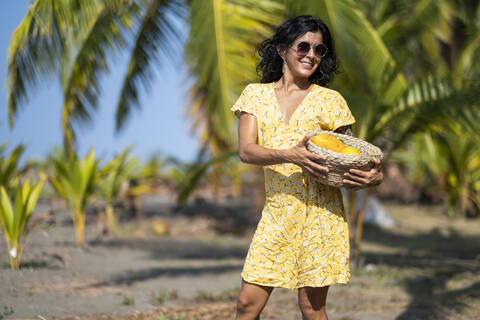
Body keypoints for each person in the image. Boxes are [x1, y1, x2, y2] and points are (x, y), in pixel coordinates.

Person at [230, 15, 383, 320]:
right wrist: (291, 155)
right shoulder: (255, 96)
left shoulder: (331, 101)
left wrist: (372, 177)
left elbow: (353, 157)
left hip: (322, 217)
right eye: (303, 46)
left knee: (312, 309)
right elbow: (247, 151)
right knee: (247, 304)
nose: (311, 55)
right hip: (276, 215)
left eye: (319, 50)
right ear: (282, 49)